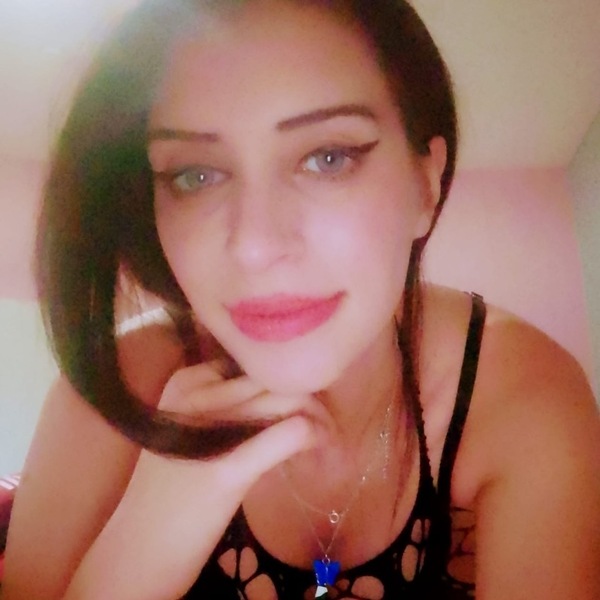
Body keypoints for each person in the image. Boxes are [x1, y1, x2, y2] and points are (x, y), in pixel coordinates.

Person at [3, 0, 600, 598]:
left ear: (425, 183)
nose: (254, 246)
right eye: (196, 175)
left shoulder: (517, 390)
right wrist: (142, 546)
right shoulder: (117, 387)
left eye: (327, 158)